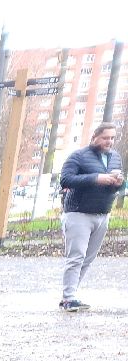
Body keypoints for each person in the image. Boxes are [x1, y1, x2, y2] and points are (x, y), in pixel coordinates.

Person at [57, 122, 123, 312]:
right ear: (95, 137)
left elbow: (116, 186)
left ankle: (72, 295)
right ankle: (68, 298)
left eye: (112, 138)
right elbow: (66, 180)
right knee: (76, 257)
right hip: (78, 213)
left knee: (88, 258)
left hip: (103, 213)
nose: (109, 141)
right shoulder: (78, 156)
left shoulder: (115, 158)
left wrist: (118, 182)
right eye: (105, 138)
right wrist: (96, 178)